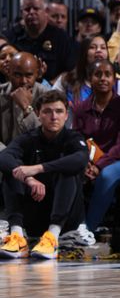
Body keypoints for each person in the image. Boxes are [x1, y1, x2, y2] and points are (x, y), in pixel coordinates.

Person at [0, 90, 88, 259]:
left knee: (67, 171)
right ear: (38, 114)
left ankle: (52, 238)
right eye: (47, 111)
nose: (53, 117)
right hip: (35, 211)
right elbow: (4, 157)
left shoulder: (73, 138)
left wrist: (39, 168)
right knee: (13, 172)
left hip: (66, 218)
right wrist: (28, 178)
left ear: (66, 115)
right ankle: (17, 236)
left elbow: (80, 160)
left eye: (59, 111)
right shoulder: (29, 138)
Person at [72, 60, 120, 232]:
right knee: (68, 170)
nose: (103, 78)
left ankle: (88, 229)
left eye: (108, 74)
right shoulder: (80, 108)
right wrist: (86, 164)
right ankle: (67, 226)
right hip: (89, 161)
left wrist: (99, 166)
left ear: (114, 79)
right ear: (90, 79)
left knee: (107, 175)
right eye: (98, 74)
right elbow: (78, 141)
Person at [3, 0, 75, 82]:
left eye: (36, 8)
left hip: (51, 91)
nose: (31, 12)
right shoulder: (10, 37)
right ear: (21, 13)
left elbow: (69, 70)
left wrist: (48, 87)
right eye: (27, 9)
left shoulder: (61, 37)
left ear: (46, 11)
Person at [0, 52, 50, 147]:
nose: (23, 81)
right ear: (8, 72)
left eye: (28, 75)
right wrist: (7, 155)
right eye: (17, 75)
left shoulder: (46, 95)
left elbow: (46, 136)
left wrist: (26, 108)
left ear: (37, 74)